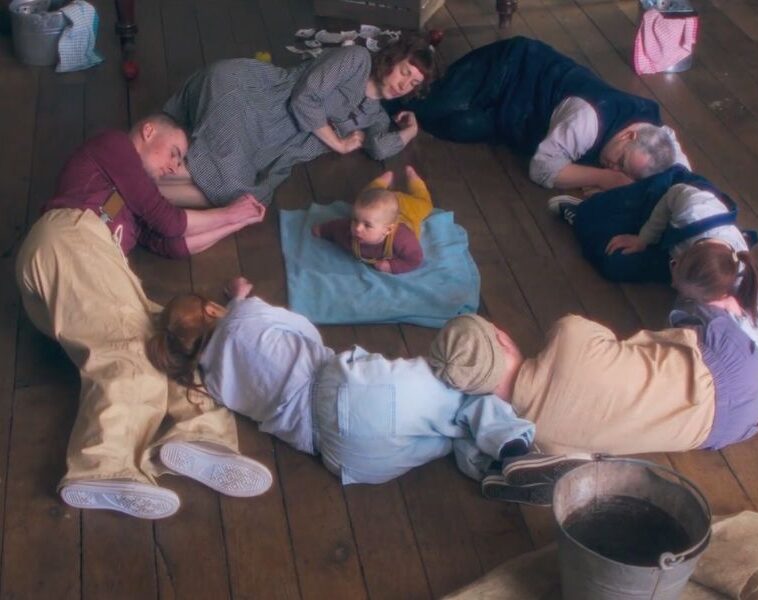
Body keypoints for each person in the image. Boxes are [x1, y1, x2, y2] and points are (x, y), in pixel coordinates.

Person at [15, 114, 272, 520]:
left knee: (172, 340)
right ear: (149, 131)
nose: (174, 166)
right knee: (127, 350)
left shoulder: (134, 208)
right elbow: (168, 220)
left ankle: (203, 435)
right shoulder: (113, 145)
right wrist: (228, 211)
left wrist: (236, 220)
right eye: (174, 153)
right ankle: (102, 464)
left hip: (90, 268)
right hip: (69, 241)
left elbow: (174, 244)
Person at [429, 245, 758, 503]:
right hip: (740, 384)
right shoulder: (568, 335)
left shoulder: (540, 434)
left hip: (720, 430)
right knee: (690, 332)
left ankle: (557, 468)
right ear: (501, 336)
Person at [146, 277, 536, 486]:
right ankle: (512, 443)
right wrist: (240, 299)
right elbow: (305, 331)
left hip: (345, 460)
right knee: (455, 398)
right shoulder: (242, 314)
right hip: (336, 391)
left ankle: (487, 466)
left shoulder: (210, 379)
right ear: (213, 309)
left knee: (449, 435)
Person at [161, 37, 436, 208]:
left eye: (413, 83)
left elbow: (378, 148)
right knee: (221, 170)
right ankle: (138, 181)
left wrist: (411, 131)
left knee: (242, 198)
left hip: (271, 142)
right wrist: (338, 144)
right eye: (404, 72)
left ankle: (142, 194)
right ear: (392, 59)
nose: (404, 85)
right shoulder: (357, 59)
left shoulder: (374, 115)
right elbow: (304, 99)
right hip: (252, 98)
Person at [388, 37, 689, 193]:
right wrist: (606, 178)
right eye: (621, 161)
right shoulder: (587, 119)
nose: (618, 167)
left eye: (627, 171)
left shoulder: (657, 137)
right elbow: (543, 168)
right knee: (433, 104)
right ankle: (379, 83)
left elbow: (681, 172)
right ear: (629, 135)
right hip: (509, 67)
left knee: (454, 126)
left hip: (515, 119)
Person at [550, 164, 750, 282]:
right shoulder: (694, 210)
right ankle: (585, 212)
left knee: (614, 263)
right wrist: (644, 238)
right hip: (669, 197)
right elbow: (673, 194)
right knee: (602, 218)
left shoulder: (736, 277)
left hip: (678, 247)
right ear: (681, 257)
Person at [311, 166, 433, 274]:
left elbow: (415, 258)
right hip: (378, 206)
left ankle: (414, 180)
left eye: (367, 225)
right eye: (355, 220)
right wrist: (322, 230)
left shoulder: (403, 239)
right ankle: (381, 182)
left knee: (425, 205)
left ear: (388, 229)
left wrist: (392, 266)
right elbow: (335, 227)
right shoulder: (348, 229)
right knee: (366, 195)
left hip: (407, 209)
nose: (357, 228)